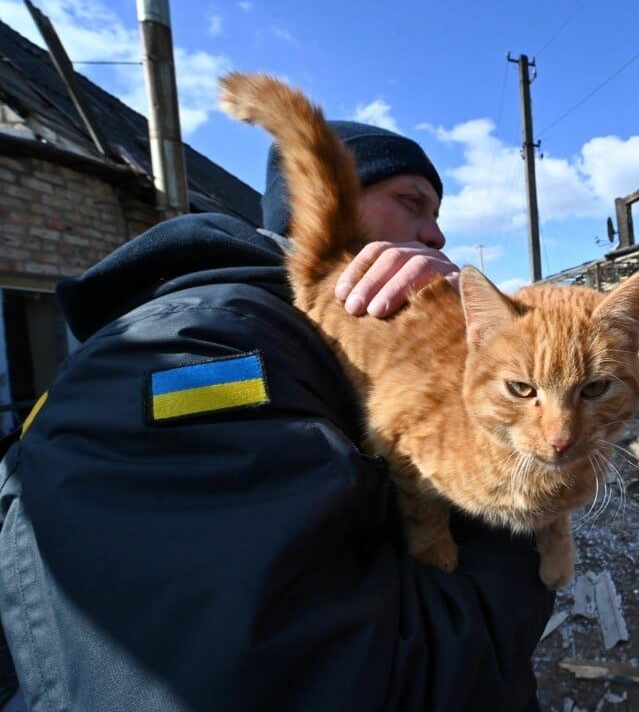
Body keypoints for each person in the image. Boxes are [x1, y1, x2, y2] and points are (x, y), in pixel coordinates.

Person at [0, 121, 554, 710]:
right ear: (323, 208)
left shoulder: (305, 337)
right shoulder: (198, 351)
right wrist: (522, 525)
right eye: (410, 202)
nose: (437, 235)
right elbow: (346, 679)